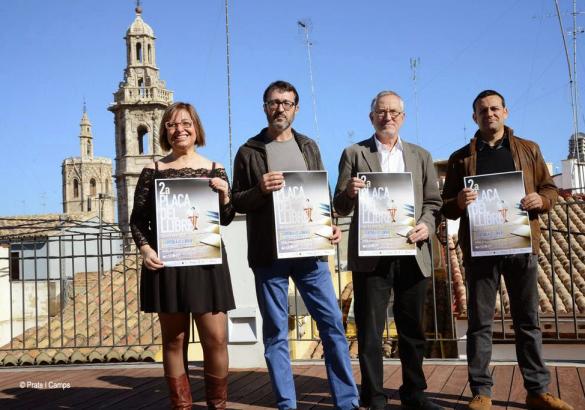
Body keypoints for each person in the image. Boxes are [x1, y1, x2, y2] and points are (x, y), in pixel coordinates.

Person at [441, 90, 573, 410]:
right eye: (483, 110)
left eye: (495, 108)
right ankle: (481, 393)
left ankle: (537, 391)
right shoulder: (461, 158)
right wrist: (458, 202)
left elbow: (549, 188)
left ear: (505, 112)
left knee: (527, 321)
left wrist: (541, 201)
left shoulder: (529, 150)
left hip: (520, 244)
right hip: (481, 249)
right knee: (479, 323)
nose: (490, 114)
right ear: (475, 117)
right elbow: (446, 206)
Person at [232, 80, 359, 410]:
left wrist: (329, 225)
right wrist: (259, 188)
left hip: (311, 255)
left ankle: (347, 402)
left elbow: (319, 196)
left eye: (286, 103)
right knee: (276, 334)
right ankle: (287, 404)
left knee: (332, 326)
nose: (280, 108)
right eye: (274, 102)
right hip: (268, 256)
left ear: (296, 109)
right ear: (264, 107)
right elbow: (235, 203)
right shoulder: (248, 151)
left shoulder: (309, 147)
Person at [333, 90, 443, 410]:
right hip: (371, 255)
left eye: (394, 111)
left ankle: (414, 393)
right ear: (372, 117)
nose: (388, 117)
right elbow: (338, 206)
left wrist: (427, 225)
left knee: (412, 329)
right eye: (382, 111)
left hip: (412, 251)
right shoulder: (354, 153)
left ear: (403, 118)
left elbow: (434, 204)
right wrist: (350, 193)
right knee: (369, 331)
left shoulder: (421, 156)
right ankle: (374, 396)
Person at [130, 102, 235, 410]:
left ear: (196, 127)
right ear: (165, 131)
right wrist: (147, 250)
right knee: (174, 341)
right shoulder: (153, 170)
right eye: (172, 125)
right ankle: (182, 406)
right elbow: (137, 220)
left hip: (207, 262)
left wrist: (225, 194)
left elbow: (226, 217)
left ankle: (218, 405)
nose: (180, 129)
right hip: (167, 264)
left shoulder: (215, 168)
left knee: (216, 339)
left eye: (185, 123)